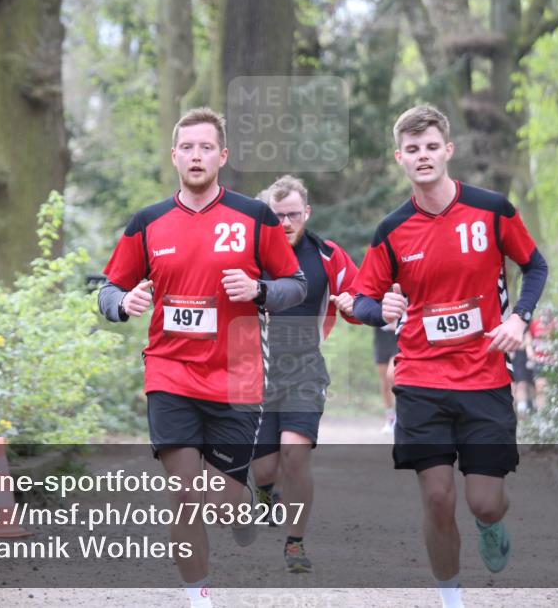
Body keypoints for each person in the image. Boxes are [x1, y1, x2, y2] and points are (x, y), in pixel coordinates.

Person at [98, 108, 307, 608]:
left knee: (220, 504)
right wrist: (122, 304)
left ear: (222, 156)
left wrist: (258, 290)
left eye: (205, 147)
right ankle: (198, 597)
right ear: (174, 156)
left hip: (236, 379)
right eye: (187, 147)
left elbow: (295, 286)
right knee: (184, 495)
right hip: (169, 375)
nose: (196, 155)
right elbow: (109, 288)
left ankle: (241, 509)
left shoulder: (254, 218)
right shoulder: (147, 222)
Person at [351, 105, 548, 608]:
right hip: (420, 377)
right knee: (438, 497)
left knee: (485, 500)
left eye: (431, 147)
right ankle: (450, 598)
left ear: (448, 151)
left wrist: (518, 318)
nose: (423, 157)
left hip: (485, 376)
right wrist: (381, 309)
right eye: (412, 150)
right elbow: (361, 300)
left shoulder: (491, 210)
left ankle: (491, 523)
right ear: (400, 158)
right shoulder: (392, 230)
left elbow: (535, 265)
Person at [249, 175, 360, 573]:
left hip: (305, 370)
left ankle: (295, 542)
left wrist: (353, 302)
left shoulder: (328, 255)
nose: (285, 222)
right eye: (276, 216)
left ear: (306, 213)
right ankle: (263, 492)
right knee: (264, 468)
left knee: (296, 456)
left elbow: (361, 295)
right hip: (255, 373)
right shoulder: (248, 254)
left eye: (293, 214)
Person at [374, 324, 399, 432]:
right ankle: (390, 418)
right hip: (382, 334)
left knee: (392, 376)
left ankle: (401, 415)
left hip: (400, 334)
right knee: (384, 382)